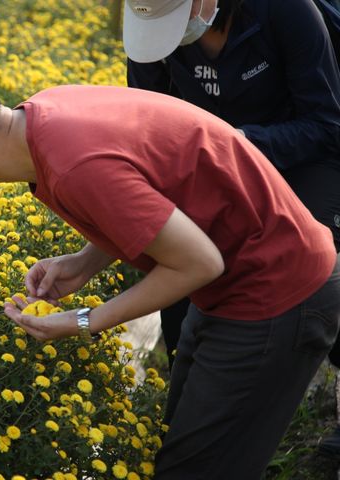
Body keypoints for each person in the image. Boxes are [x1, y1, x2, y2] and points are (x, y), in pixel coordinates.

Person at [0, 52, 340, 479]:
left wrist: (82, 321)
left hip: (275, 288)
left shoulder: (75, 164)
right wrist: (86, 261)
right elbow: (153, 186)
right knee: (184, 443)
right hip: (242, 275)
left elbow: (197, 263)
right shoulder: (46, 119)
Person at [122, 0, 340, 457]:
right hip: (218, 156)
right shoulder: (153, 31)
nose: (171, 32)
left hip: (304, 150)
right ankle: (194, 413)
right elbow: (144, 121)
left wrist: (241, 142)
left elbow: (325, 122)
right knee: (185, 274)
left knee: (314, 269)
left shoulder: (287, 12)